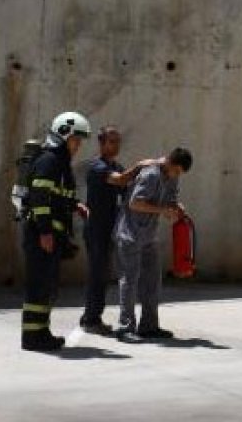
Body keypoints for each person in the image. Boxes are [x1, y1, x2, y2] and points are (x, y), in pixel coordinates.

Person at [20, 111, 91, 352]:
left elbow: (57, 196)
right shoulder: (50, 160)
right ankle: (32, 337)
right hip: (42, 234)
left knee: (47, 286)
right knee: (39, 286)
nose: (78, 145)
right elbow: (40, 197)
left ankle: (41, 332)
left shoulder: (59, 163)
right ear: (63, 135)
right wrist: (45, 232)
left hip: (49, 234)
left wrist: (75, 205)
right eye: (75, 140)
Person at [78, 126, 158, 335]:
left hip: (113, 228)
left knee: (104, 275)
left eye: (118, 141)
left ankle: (92, 317)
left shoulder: (118, 166)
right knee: (98, 274)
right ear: (102, 143)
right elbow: (121, 180)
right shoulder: (97, 167)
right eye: (112, 141)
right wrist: (140, 166)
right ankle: (90, 319)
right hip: (97, 229)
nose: (116, 146)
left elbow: (128, 191)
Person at [114, 147, 192, 342]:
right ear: (171, 164)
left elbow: (171, 199)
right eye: (177, 172)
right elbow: (135, 203)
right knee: (129, 281)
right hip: (130, 234)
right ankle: (125, 328)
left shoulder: (172, 176)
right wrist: (162, 210)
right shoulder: (150, 175)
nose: (177, 176)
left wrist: (176, 207)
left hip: (149, 235)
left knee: (152, 281)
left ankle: (149, 326)